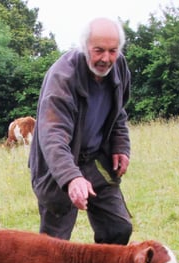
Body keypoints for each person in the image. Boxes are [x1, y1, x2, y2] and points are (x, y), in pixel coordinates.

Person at [29, 17, 133, 245]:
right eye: (99, 51)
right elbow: (53, 136)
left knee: (119, 227)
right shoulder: (62, 78)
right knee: (53, 246)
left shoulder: (120, 67)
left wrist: (120, 146)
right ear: (84, 46)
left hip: (95, 160)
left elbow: (118, 113)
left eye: (112, 51)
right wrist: (72, 178)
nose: (106, 58)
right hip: (58, 165)